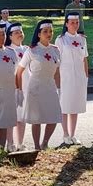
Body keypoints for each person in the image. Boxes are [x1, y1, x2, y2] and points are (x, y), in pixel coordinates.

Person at [16, 19, 62, 150]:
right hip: (35, 87)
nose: (49, 34)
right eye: (45, 31)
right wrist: (18, 90)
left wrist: (60, 89)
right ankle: (36, 146)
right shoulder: (32, 50)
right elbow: (19, 71)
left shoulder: (55, 50)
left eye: (51, 31)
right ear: (39, 34)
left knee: (53, 117)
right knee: (37, 119)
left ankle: (45, 143)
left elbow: (57, 72)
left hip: (50, 87)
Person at [55, 12, 89, 145]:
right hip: (66, 77)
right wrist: (57, 79)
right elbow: (57, 61)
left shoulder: (82, 39)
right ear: (66, 24)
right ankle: (65, 134)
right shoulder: (61, 39)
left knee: (75, 106)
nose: (75, 25)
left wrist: (86, 76)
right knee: (65, 105)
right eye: (72, 23)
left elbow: (84, 59)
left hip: (79, 77)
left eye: (77, 22)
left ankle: (73, 134)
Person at [5, 22, 29, 151]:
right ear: (10, 36)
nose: (20, 34)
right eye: (16, 33)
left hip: (25, 87)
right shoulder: (8, 50)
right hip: (12, 87)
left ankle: (20, 142)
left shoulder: (26, 49)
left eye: (21, 32)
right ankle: (10, 143)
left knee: (22, 117)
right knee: (12, 117)